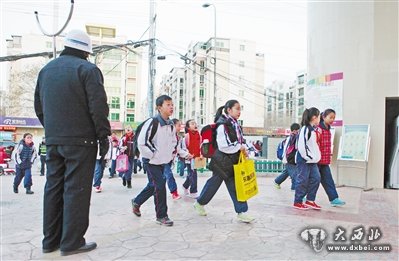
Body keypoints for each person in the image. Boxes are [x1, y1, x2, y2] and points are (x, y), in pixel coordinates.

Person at [34, 29, 111, 256]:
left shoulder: (46, 70)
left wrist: (53, 129)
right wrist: (103, 136)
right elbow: (98, 107)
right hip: (81, 141)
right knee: (76, 190)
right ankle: (72, 242)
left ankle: (50, 241)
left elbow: (39, 105)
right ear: (86, 51)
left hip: (54, 140)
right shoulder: (88, 70)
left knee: (53, 188)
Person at [193, 100, 254, 223]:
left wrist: (244, 148)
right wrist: (239, 147)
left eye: (240, 109)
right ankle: (200, 203)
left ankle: (241, 211)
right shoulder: (223, 125)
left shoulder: (235, 124)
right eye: (237, 109)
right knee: (214, 184)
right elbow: (223, 146)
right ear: (229, 110)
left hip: (231, 161)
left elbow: (240, 141)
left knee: (233, 186)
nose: (239, 112)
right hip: (222, 162)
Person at [131, 95, 177, 226]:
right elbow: (142, 142)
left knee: (154, 185)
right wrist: (152, 155)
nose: (171, 107)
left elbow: (173, 141)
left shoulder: (171, 124)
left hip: (163, 161)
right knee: (160, 186)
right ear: (159, 108)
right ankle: (162, 216)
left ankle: (137, 202)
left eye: (172, 104)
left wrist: (170, 155)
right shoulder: (152, 122)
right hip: (151, 162)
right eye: (168, 104)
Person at [293, 107, 322, 210]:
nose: (320, 119)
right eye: (319, 116)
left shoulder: (312, 129)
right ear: (314, 117)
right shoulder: (305, 129)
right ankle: (298, 201)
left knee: (316, 178)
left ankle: (310, 200)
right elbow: (301, 146)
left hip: (312, 160)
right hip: (304, 159)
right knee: (303, 180)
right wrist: (307, 157)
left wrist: (314, 157)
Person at [318, 109, 346, 207]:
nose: (332, 119)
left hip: (324, 161)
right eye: (330, 117)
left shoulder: (328, 128)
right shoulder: (318, 128)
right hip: (316, 161)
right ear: (323, 117)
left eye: (334, 118)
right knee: (313, 181)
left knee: (329, 180)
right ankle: (302, 196)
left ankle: (334, 199)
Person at [274, 123, 300, 190]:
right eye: (298, 130)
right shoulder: (292, 138)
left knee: (287, 172)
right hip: (289, 160)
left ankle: (277, 181)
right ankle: (295, 189)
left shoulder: (291, 138)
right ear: (294, 131)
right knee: (295, 175)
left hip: (290, 160)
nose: (299, 132)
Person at [181, 119, 201, 198]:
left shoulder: (199, 135)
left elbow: (201, 145)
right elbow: (184, 147)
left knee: (191, 174)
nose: (195, 125)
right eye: (192, 124)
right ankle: (193, 192)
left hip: (196, 157)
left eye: (195, 123)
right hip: (189, 158)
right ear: (188, 127)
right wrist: (188, 154)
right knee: (193, 174)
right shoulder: (186, 136)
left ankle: (185, 186)